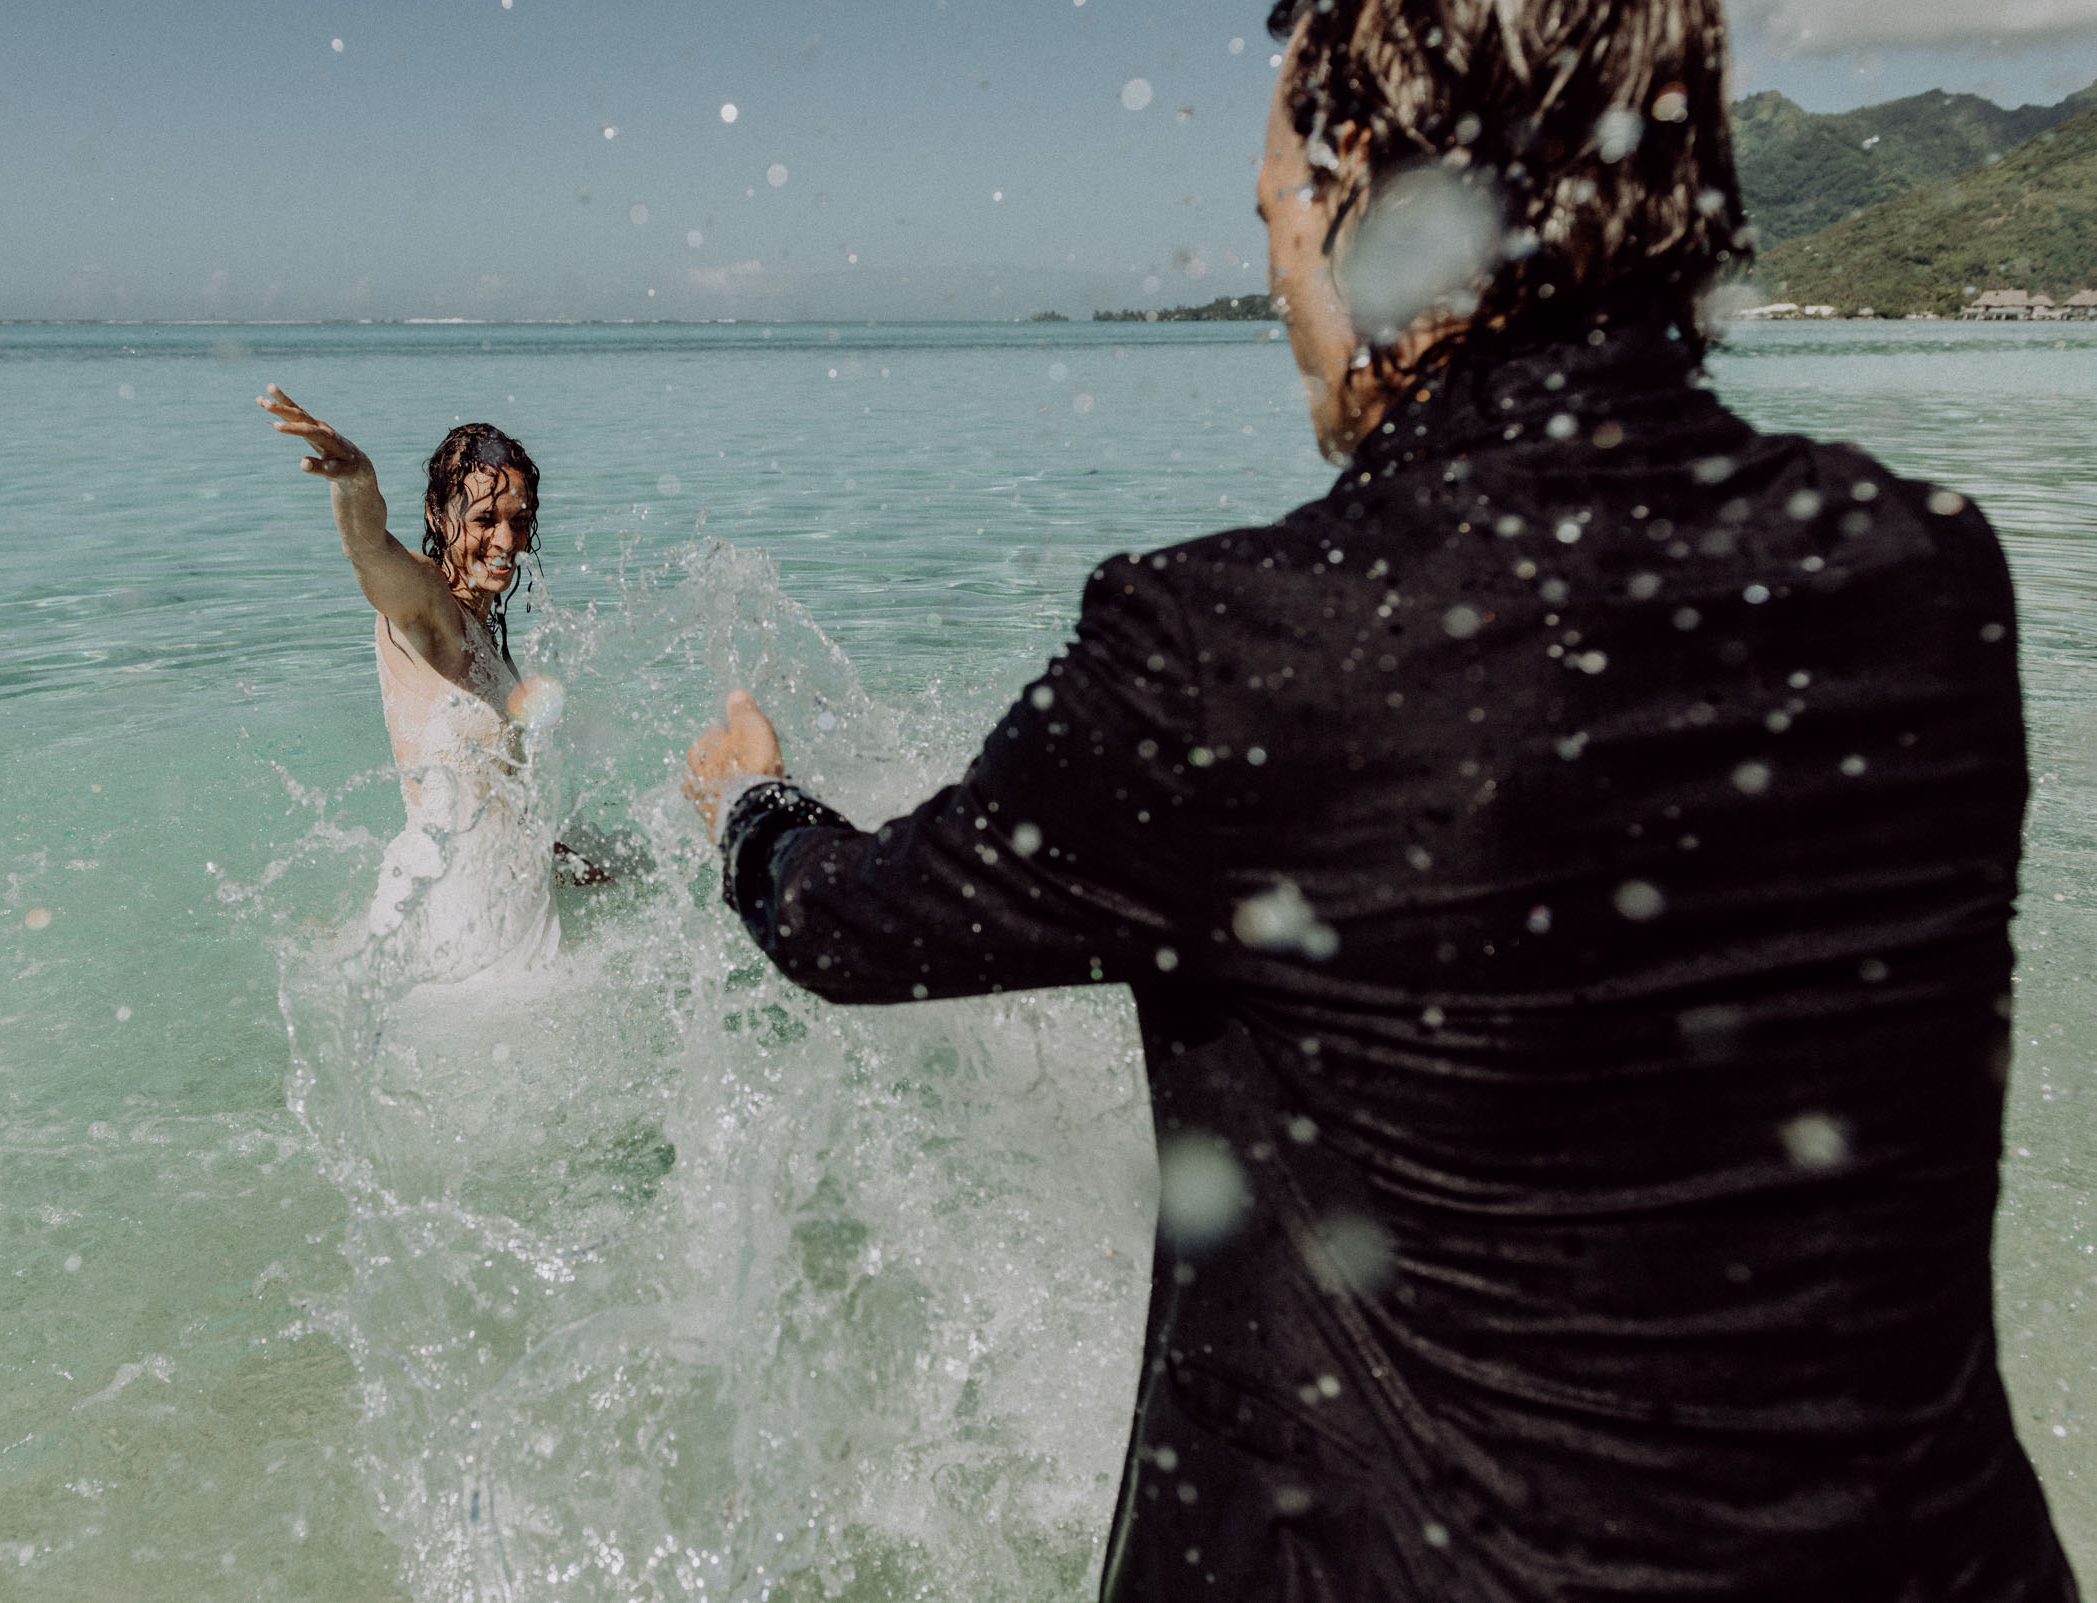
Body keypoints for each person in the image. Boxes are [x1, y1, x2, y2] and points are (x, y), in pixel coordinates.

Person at [682, 0, 2078, 1597]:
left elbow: (855, 926)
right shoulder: (1922, 574)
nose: (1283, 280)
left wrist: (755, 802)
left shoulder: (1235, 652)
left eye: (1275, 212)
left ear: (1365, 196)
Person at [262, 386, 575, 982]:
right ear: (438, 516)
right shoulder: (426, 610)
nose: (507, 542)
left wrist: (572, 861)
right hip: (457, 926)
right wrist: (356, 485)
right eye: (484, 519)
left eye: (519, 521)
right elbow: (370, 554)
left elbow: (499, 796)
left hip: (498, 912)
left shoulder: (483, 639)